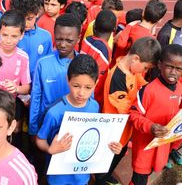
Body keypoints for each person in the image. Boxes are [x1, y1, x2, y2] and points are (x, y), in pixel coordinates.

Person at [35, 54, 122, 185]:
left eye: (88, 87)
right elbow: (40, 139)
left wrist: (111, 146)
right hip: (58, 178)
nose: (81, 93)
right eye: (76, 86)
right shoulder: (54, 112)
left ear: (96, 83)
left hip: (82, 176)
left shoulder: (94, 106)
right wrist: (50, 150)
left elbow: (94, 135)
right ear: (67, 80)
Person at [95, 37, 161, 185]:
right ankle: (100, 180)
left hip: (124, 132)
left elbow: (143, 85)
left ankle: (106, 176)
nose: (145, 71)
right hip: (112, 134)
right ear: (136, 59)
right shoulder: (117, 78)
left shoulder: (132, 70)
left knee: (117, 158)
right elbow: (126, 109)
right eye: (146, 68)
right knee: (104, 164)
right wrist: (145, 113)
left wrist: (153, 92)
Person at [129, 44, 182, 185]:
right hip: (144, 148)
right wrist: (150, 127)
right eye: (170, 66)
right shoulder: (148, 90)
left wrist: (175, 143)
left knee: (149, 174)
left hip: (162, 146)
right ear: (159, 65)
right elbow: (133, 114)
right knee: (139, 178)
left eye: (178, 69)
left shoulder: (180, 89)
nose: (173, 72)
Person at [29, 13, 81, 136]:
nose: (63, 44)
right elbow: (36, 97)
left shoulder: (84, 64)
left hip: (74, 128)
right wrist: (33, 129)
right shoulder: (43, 63)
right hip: (47, 127)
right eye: (59, 39)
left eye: (69, 41)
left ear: (78, 39)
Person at [0, 10, 31, 149]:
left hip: (11, 104)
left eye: (14, 36)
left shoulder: (23, 57)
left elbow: (27, 87)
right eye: (5, 35)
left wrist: (17, 88)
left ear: (22, 35)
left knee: (12, 134)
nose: (8, 40)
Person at [11, 0, 53, 79]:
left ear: (37, 14)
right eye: (21, 18)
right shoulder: (10, 35)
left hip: (37, 82)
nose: (25, 23)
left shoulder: (45, 36)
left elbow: (48, 63)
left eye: (29, 19)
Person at [81, 10, 117, 107]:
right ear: (114, 29)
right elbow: (98, 77)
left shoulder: (86, 40)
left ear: (94, 26)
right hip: (93, 97)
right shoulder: (104, 51)